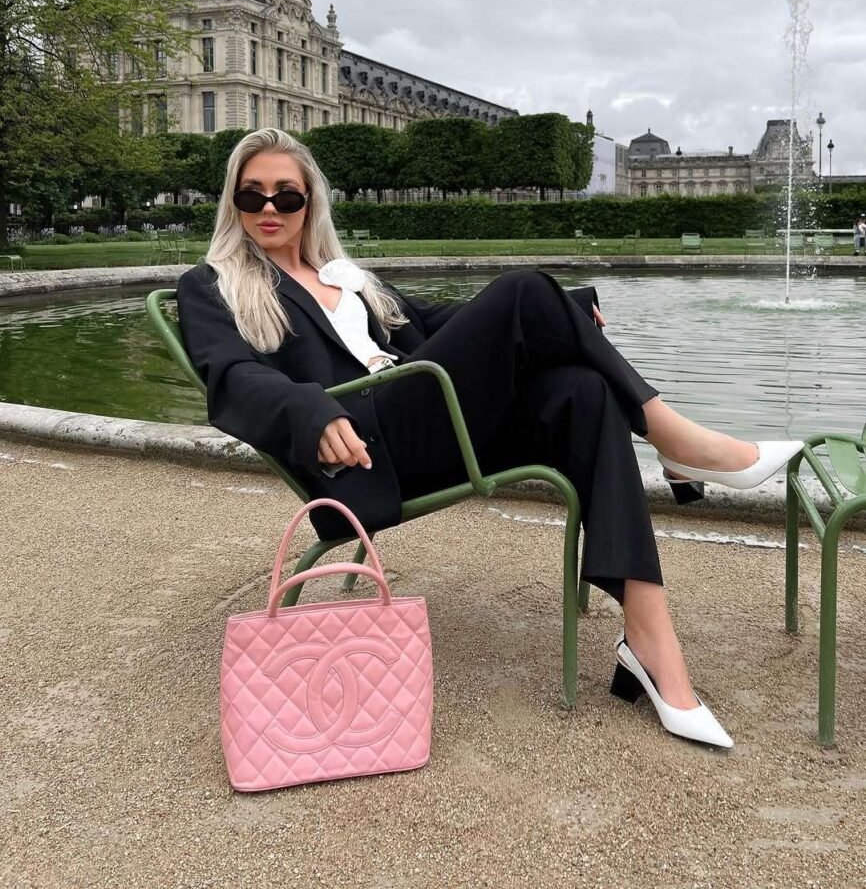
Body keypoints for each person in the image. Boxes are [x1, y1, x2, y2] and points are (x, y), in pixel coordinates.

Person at [177, 128, 803, 751]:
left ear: (311, 203)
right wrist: (307, 410)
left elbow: (433, 324)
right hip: (370, 442)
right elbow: (233, 378)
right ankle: (680, 443)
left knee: (584, 393)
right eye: (251, 195)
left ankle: (649, 639)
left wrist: (567, 307)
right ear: (231, 203)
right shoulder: (214, 285)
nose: (268, 209)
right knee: (523, 288)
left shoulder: (340, 273)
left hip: (427, 412)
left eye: (286, 197)